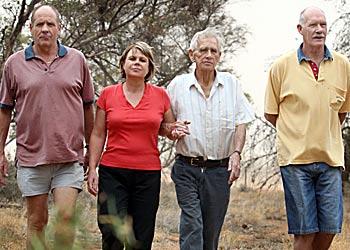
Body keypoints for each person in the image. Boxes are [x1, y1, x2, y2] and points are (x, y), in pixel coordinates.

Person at [0, 4, 94, 249]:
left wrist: (91, 152)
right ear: (30, 28)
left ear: (59, 28)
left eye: (50, 24)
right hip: (31, 158)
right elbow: (5, 110)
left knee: (65, 220)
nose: (45, 29)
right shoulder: (14, 64)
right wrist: (0, 151)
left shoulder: (77, 60)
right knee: (36, 222)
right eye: (39, 24)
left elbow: (88, 107)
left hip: (69, 157)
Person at [87, 41, 188, 250]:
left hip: (147, 175)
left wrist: (174, 131)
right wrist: (92, 168)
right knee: (112, 233)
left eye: (143, 60)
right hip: (113, 172)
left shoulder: (160, 95)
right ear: (123, 63)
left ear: (149, 68)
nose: (137, 63)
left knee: (141, 236)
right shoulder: (107, 94)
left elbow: (166, 128)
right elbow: (98, 134)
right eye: (132, 58)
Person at [264, 6, 350, 250]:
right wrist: (297, 133)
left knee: (330, 228)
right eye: (313, 25)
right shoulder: (281, 67)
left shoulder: (343, 65)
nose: (319, 29)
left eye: (323, 24)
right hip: (295, 160)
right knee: (305, 231)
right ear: (300, 30)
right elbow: (271, 114)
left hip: (331, 159)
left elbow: (342, 111)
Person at [167, 28, 255, 250]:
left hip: (219, 171)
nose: (208, 55)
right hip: (187, 167)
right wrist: (171, 129)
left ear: (219, 56)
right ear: (192, 54)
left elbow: (241, 122)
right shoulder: (178, 85)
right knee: (192, 224)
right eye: (203, 50)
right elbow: (163, 123)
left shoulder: (231, 84)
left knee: (211, 233)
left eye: (213, 51)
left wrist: (237, 153)